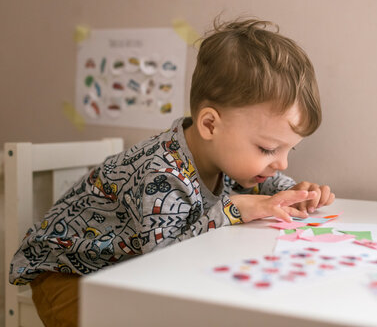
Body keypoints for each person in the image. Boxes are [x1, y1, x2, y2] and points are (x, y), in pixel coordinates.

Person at [9, 17, 334, 326]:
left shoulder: (226, 159)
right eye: (267, 149)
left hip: (121, 272)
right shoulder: (162, 172)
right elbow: (163, 260)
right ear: (210, 125)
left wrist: (294, 193)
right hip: (67, 278)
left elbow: (265, 182)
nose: (281, 163)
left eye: (290, 149)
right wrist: (232, 209)